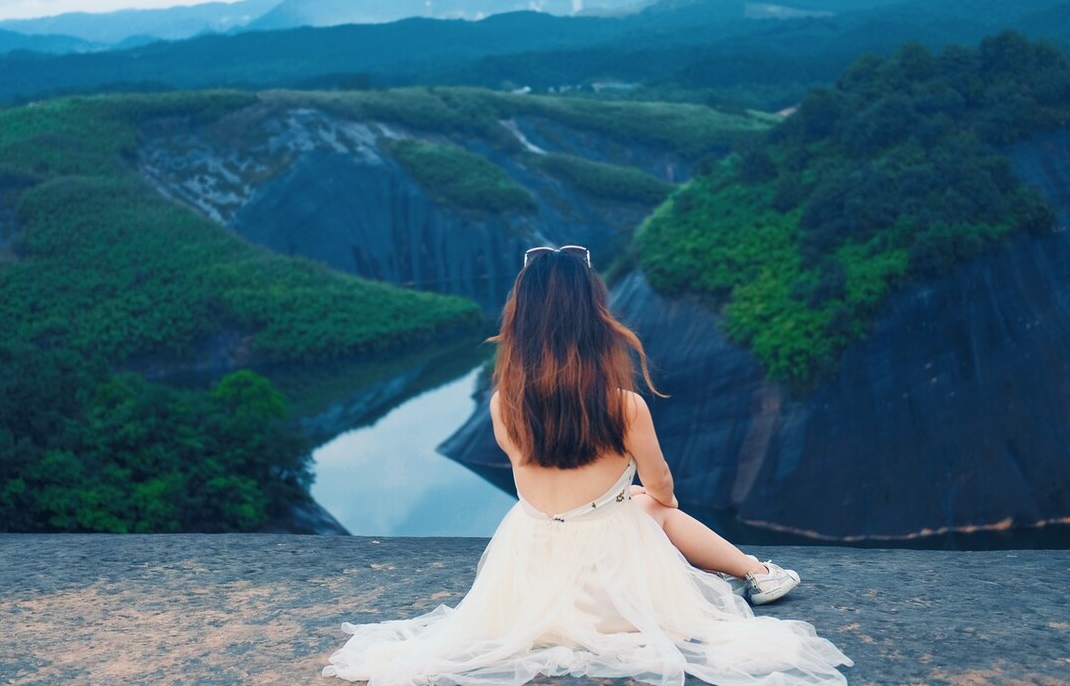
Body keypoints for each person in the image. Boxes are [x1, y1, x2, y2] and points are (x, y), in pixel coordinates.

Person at [323, 245, 853, 685]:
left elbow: (534, 476)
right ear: (594, 317)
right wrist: (652, 500)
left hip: (527, 582)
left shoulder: (503, 402)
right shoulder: (624, 404)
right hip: (611, 591)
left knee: (611, 508)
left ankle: (749, 569)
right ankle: (758, 573)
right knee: (652, 506)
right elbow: (662, 484)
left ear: (520, 320)